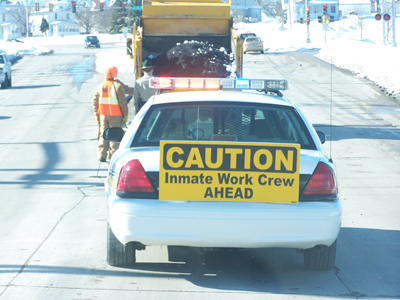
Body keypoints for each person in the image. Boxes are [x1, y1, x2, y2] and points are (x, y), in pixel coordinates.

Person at [92, 66, 129, 162]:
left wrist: (97, 113)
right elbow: (123, 103)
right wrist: (125, 115)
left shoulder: (100, 86)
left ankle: (101, 155)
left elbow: (94, 101)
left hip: (103, 115)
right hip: (116, 115)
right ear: (115, 75)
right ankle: (113, 155)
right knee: (114, 135)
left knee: (103, 133)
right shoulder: (118, 86)